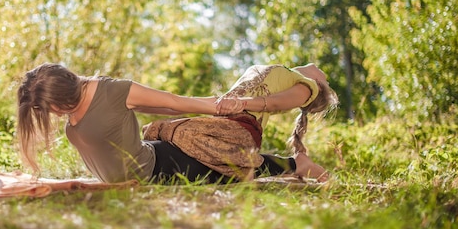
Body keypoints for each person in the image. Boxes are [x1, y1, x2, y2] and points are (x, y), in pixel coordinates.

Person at [16, 63, 246, 184]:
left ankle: (283, 164)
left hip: (162, 168)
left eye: (51, 107)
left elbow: (172, 102)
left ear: (63, 93)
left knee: (241, 167)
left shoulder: (112, 91)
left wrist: (218, 107)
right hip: (142, 168)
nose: (52, 113)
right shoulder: (70, 109)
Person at [144, 63, 339, 182]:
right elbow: (213, 102)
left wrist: (239, 103)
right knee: (158, 128)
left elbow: (274, 103)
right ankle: (291, 165)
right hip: (223, 122)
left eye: (327, 83)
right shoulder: (284, 74)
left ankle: (297, 164)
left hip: (239, 129)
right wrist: (149, 104)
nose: (326, 78)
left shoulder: (309, 87)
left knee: (179, 132)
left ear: (318, 85)